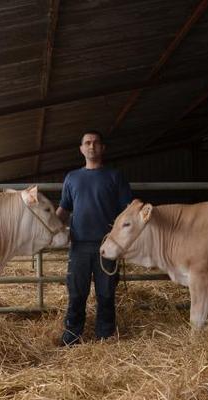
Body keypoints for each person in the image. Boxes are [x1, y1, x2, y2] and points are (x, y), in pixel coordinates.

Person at [56, 130, 133, 346]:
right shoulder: (72, 178)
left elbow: (128, 210)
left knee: (106, 293)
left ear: (103, 148)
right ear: (81, 149)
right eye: (87, 143)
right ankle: (72, 335)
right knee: (77, 293)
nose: (92, 146)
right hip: (79, 245)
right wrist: (50, 227)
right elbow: (64, 209)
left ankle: (105, 336)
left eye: (96, 143)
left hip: (107, 246)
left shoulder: (114, 176)